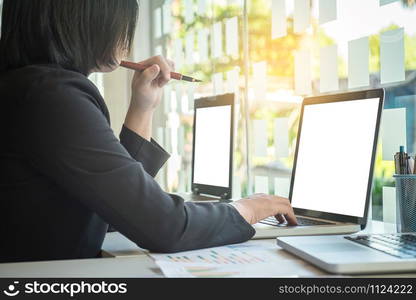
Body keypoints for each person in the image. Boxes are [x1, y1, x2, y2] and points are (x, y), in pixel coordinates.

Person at [0, 0, 297, 263]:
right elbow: (164, 226)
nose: (125, 36)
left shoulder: (26, 86)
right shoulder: (50, 95)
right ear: (90, 17)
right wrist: (249, 207)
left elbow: (116, 206)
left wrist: (143, 106)